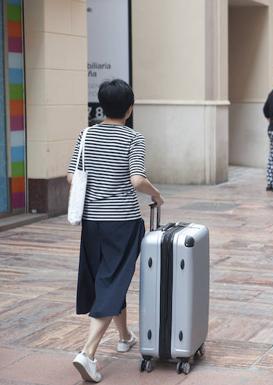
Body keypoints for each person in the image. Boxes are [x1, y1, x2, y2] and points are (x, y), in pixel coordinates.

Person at [68, 79, 164, 383]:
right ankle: (88, 352)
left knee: (110, 277)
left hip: (92, 222)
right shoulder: (133, 138)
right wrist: (156, 194)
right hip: (122, 222)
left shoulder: (86, 135)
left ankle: (124, 336)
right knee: (113, 280)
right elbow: (137, 180)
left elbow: (72, 178)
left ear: (101, 105)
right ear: (130, 107)